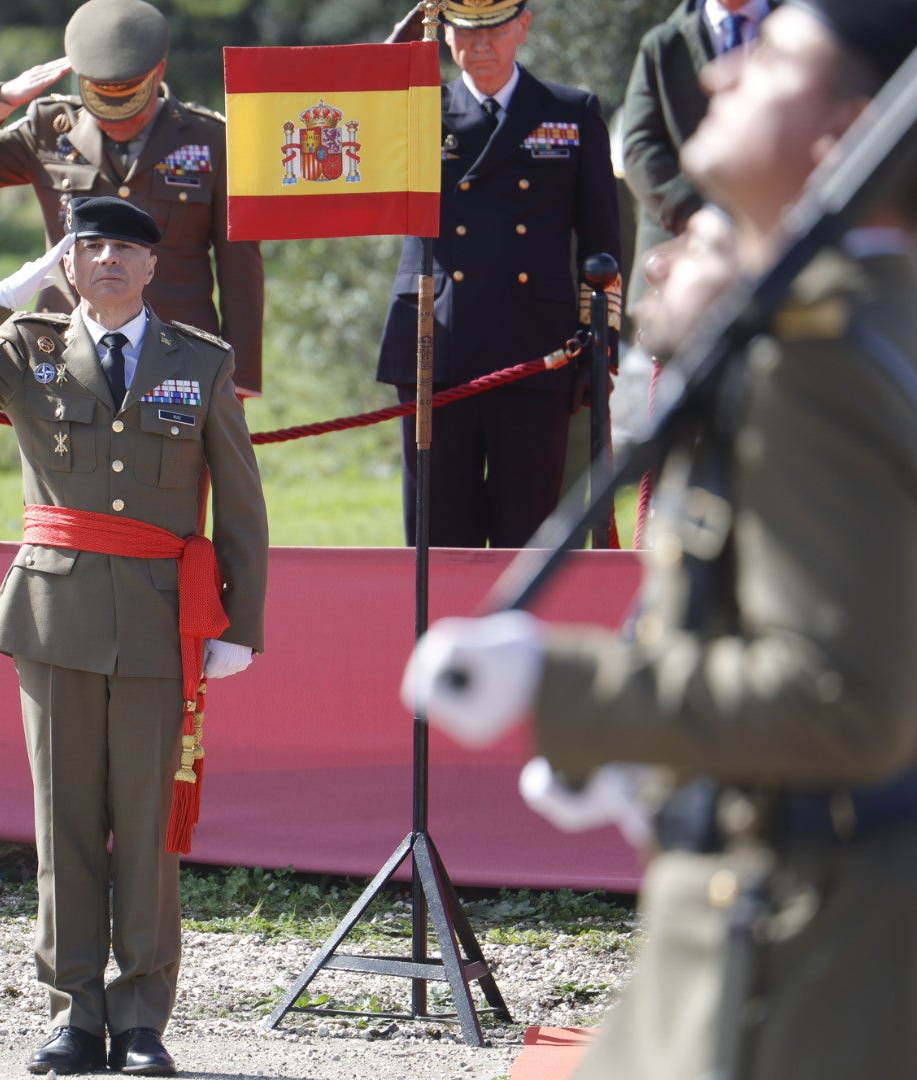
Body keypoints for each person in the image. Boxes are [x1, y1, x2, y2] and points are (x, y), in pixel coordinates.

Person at [402, 2, 917, 1076]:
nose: (722, 83)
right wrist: (659, 751)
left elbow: (845, 703)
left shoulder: (817, 365)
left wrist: (564, 686)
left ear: (842, 134)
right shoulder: (853, 329)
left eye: (771, 64)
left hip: (793, 954)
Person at [0, 196, 268, 1077]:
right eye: (88, 245)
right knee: (62, 824)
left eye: (123, 249)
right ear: (70, 261)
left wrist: (240, 625)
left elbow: (242, 503)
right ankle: (73, 1012)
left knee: (145, 826)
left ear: (151, 268)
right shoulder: (27, 347)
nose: (105, 260)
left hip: (157, 619)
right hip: (53, 616)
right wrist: (6, 291)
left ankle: (141, 1019)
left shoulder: (199, 361)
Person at [0, 0, 266, 398]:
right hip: (67, 351)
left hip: (178, 354)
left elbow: (239, 263)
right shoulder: (49, 129)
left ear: (159, 73)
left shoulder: (210, 140)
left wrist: (241, 377)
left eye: (129, 102)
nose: (116, 117)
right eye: (103, 101)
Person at [374, 0, 621, 549]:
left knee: (526, 537)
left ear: (523, 28)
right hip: (435, 347)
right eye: (465, 30)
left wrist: (602, 343)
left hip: (534, 348)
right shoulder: (419, 108)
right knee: (439, 544)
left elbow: (602, 244)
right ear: (445, 33)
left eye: (496, 29)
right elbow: (356, 118)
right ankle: (437, 638)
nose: (481, 44)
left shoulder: (571, 111)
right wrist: (401, 42)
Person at [620, 0, 773, 323]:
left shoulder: (806, 32)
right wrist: (700, 216)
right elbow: (640, 148)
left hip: (780, 258)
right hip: (680, 265)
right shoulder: (663, 43)